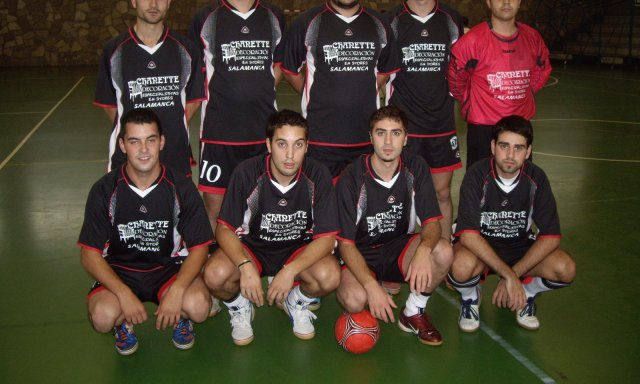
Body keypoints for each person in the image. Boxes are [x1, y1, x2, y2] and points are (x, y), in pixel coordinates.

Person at [78, 109, 213, 355]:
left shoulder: (181, 188)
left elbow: (200, 247)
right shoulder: (105, 190)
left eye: (150, 140)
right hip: (121, 271)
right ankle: (122, 325)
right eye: (134, 141)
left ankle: (182, 319)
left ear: (161, 142)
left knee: (199, 307)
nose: (143, 149)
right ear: (122, 145)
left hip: (169, 269)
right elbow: (89, 254)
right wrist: (122, 292)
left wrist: (179, 289)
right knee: (102, 317)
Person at [203, 110, 340, 345]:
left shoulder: (317, 175)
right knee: (214, 276)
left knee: (329, 277)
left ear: (307, 146)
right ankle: (238, 306)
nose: (289, 155)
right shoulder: (247, 172)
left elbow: (327, 238)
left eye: (298, 145)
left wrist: (289, 271)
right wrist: (244, 266)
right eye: (281, 144)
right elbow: (224, 228)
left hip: (296, 249)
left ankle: (296, 301)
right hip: (252, 248)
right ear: (268, 144)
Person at [189, 0, 286, 229]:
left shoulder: (274, 16)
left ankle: (258, 264)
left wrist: (254, 90)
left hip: (262, 133)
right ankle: (221, 270)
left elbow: (278, 68)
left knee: (264, 204)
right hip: (219, 133)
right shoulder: (205, 18)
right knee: (215, 207)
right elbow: (197, 73)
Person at [335, 106, 453, 346]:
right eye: (381, 133)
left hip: (396, 247)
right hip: (359, 252)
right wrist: (370, 285)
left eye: (396, 133)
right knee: (354, 300)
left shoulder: (416, 167)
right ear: (370, 137)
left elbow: (432, 223)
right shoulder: (352, 177)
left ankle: (413, 312)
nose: (388, 142)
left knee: (442, 251)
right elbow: (346, 245)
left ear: (406, 138)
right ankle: (372, 284)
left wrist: (422, 250)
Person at [448, 115, 576, 332]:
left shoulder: (537, 178)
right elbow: (469, 235)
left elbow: (550, 236)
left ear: (528, 151)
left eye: (518, 148)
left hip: (519, 247)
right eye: (504, 146)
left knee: (565, 269)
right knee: (459, 267)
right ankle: (471, 298)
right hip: (481, 247)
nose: (510, 155)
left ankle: (527, 293)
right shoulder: (477, 175)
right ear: (493, 146)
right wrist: (508, 275)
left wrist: (514, 275)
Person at [282, 0, 397, 181]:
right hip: (320, 139)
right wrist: (315, 91)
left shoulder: (379, 24)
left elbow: (386, 68)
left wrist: (365, 89)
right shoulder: (308, 22)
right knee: (323, 207)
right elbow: (289, 68)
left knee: (360, 207)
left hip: (366, 137)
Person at [383, 0, 463, 241]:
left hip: (441, 125)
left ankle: (442, 255)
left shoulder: (452, 20)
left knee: (441, 193)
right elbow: (377, 76)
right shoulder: (390, 22)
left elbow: (461, 70)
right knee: (400, 196)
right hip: (404, 128)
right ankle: (397, 262)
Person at [94, 0, 204, 177]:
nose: (153, 4)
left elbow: (193, 101)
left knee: (176, 209)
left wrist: (168, 126)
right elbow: (111, 107)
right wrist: (137, 136)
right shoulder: (114, 51)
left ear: (169, 1)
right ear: (134, 0)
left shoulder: (187, 50)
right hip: (128, 159)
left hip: (174, 154)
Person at [448, 0, 552, 169]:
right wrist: (472, 101)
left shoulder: (532, 38)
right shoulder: (472, 41)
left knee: (519, 187)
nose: (506, 2)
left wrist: (523, 92)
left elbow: (542, 69)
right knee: (480, 186)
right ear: (489, 1)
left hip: (520, 125)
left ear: (519, 1)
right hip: (483, 128)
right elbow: (455, 79)